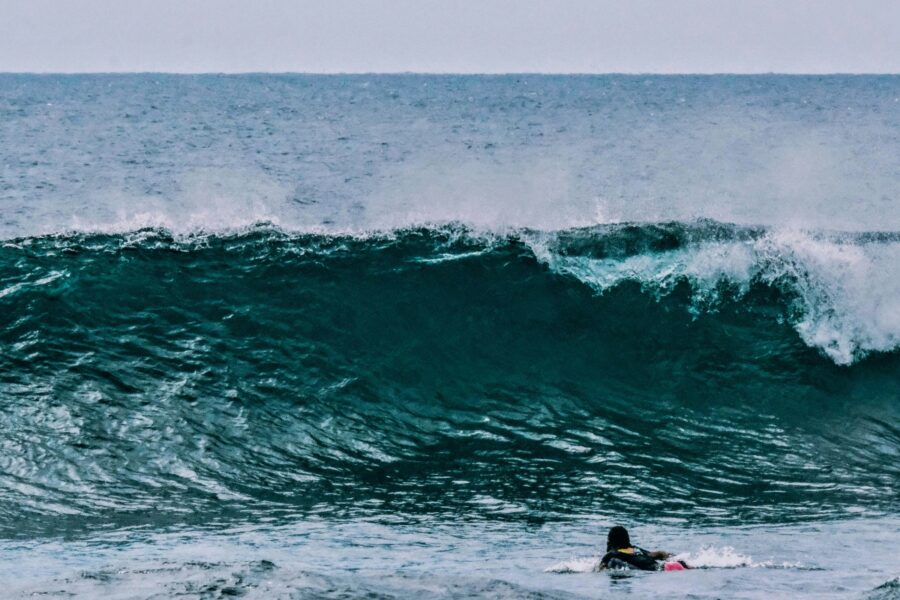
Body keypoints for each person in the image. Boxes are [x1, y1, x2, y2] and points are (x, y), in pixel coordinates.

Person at [598, 526, 688, 571]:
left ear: (611, 541)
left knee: (613, 562)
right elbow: (659, 554)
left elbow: (599, 568)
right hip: (670, 566)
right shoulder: (635, 549)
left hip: (657, 571)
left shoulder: (612, 554)